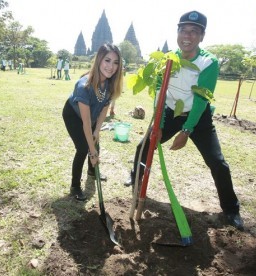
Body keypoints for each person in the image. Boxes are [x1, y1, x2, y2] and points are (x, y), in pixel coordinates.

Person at [124, 11, 244, 230]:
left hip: (198, 116)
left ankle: (231, 210)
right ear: (178, 33)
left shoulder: (208, 62)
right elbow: (160, 93)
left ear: (202, 36)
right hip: (169, 112)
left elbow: (201, 99)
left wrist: (187, 131)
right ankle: (135, 178)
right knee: (144, 146)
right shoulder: (168, 59)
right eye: (183, 30)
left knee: (217, 162)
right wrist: (159, 125)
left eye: (194, 31)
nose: (187, 36)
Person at [62, 44, 123, 201]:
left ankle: (92, 171)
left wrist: (97, 131)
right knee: (83, 147)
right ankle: (75, 186)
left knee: (95, 141)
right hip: (74, 115)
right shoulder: (84, 86)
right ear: (99, 60)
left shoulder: (110, 83)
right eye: (107, 60)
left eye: (116, 62)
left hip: (93, 114)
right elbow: (86, 123)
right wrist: (92, 152)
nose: (111, 67)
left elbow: (104, 109)